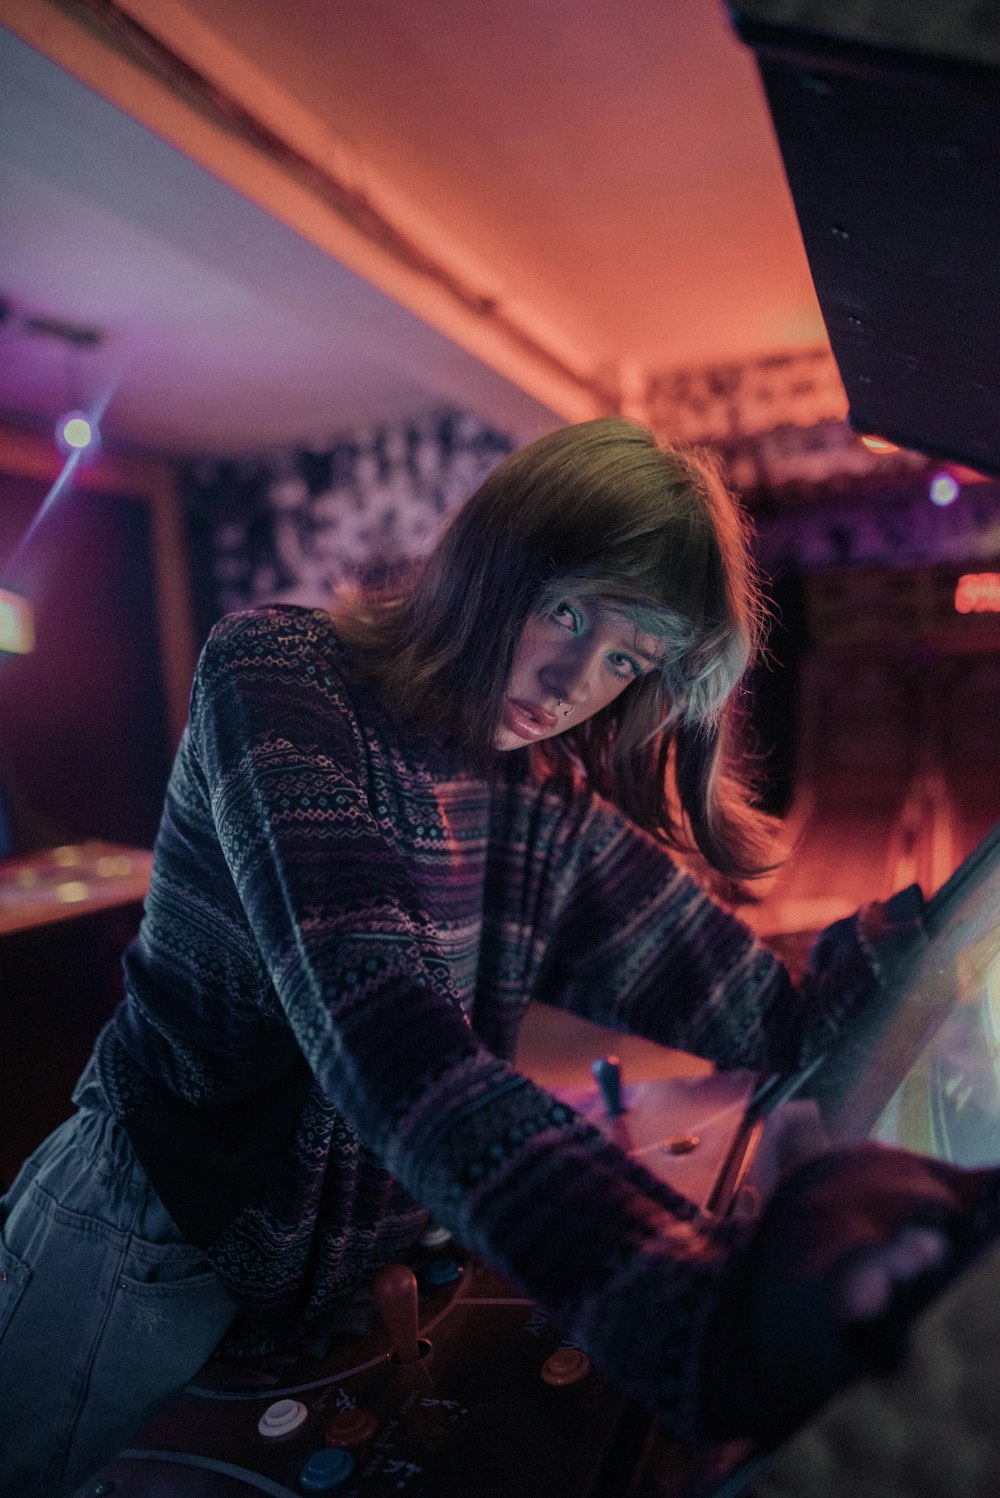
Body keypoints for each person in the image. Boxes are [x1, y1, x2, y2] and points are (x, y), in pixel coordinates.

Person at [1, 418, 996, 1495]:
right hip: (143, 1238)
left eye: (627, 656)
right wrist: (681, 1306)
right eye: (566, 610)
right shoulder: (280, 675)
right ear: (492, 560)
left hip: (313, 1276)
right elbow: (384, 1033)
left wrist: (929, 961)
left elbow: (760, 1010)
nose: (576, 677)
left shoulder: (534, 798)